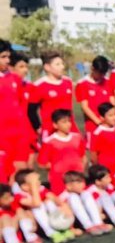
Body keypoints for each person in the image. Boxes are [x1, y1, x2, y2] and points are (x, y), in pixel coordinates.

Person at [0, 41, 34, 174]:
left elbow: (21, 106)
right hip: (2, 134)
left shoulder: (14, 78)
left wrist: (26, 131)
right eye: (3, 57)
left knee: (20, 170)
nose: (7, 61)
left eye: (8, 57)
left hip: (18, 132)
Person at [30, 51, 77, 140]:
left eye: (62, 64)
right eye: (58, 64)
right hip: (50, 131)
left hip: (70, 128)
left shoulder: (68, 82)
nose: (62, 67)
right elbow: (31, 111)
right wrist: (38, 128)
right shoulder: (38, 86)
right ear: (47, 67)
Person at [37, 109, 86, 195]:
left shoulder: (77, 137)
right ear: (55, 125)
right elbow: (42, 163)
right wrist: (57, 169)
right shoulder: (49, 141)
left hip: (77, 178)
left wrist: (80, 169)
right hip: (59, 180)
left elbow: (82, 156)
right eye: (64, 122)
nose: (68, 124)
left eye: (69, 121)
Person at [75, 55, 113, 144]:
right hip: (93, 125)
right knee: (94, 153)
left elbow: (113, 102)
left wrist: (111, 120)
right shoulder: (82, 84)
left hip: (109, 123)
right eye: (99, 73)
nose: (101, 76)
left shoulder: (108, 82)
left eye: (103, 73)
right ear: (92, 68)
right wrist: (98, 122)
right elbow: (85, 107)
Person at [90, 103, 115, 172]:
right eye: (110, 115)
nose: (114, 117)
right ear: (102, 117)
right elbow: (93, 155)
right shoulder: (97, 133)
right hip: (107, 169)